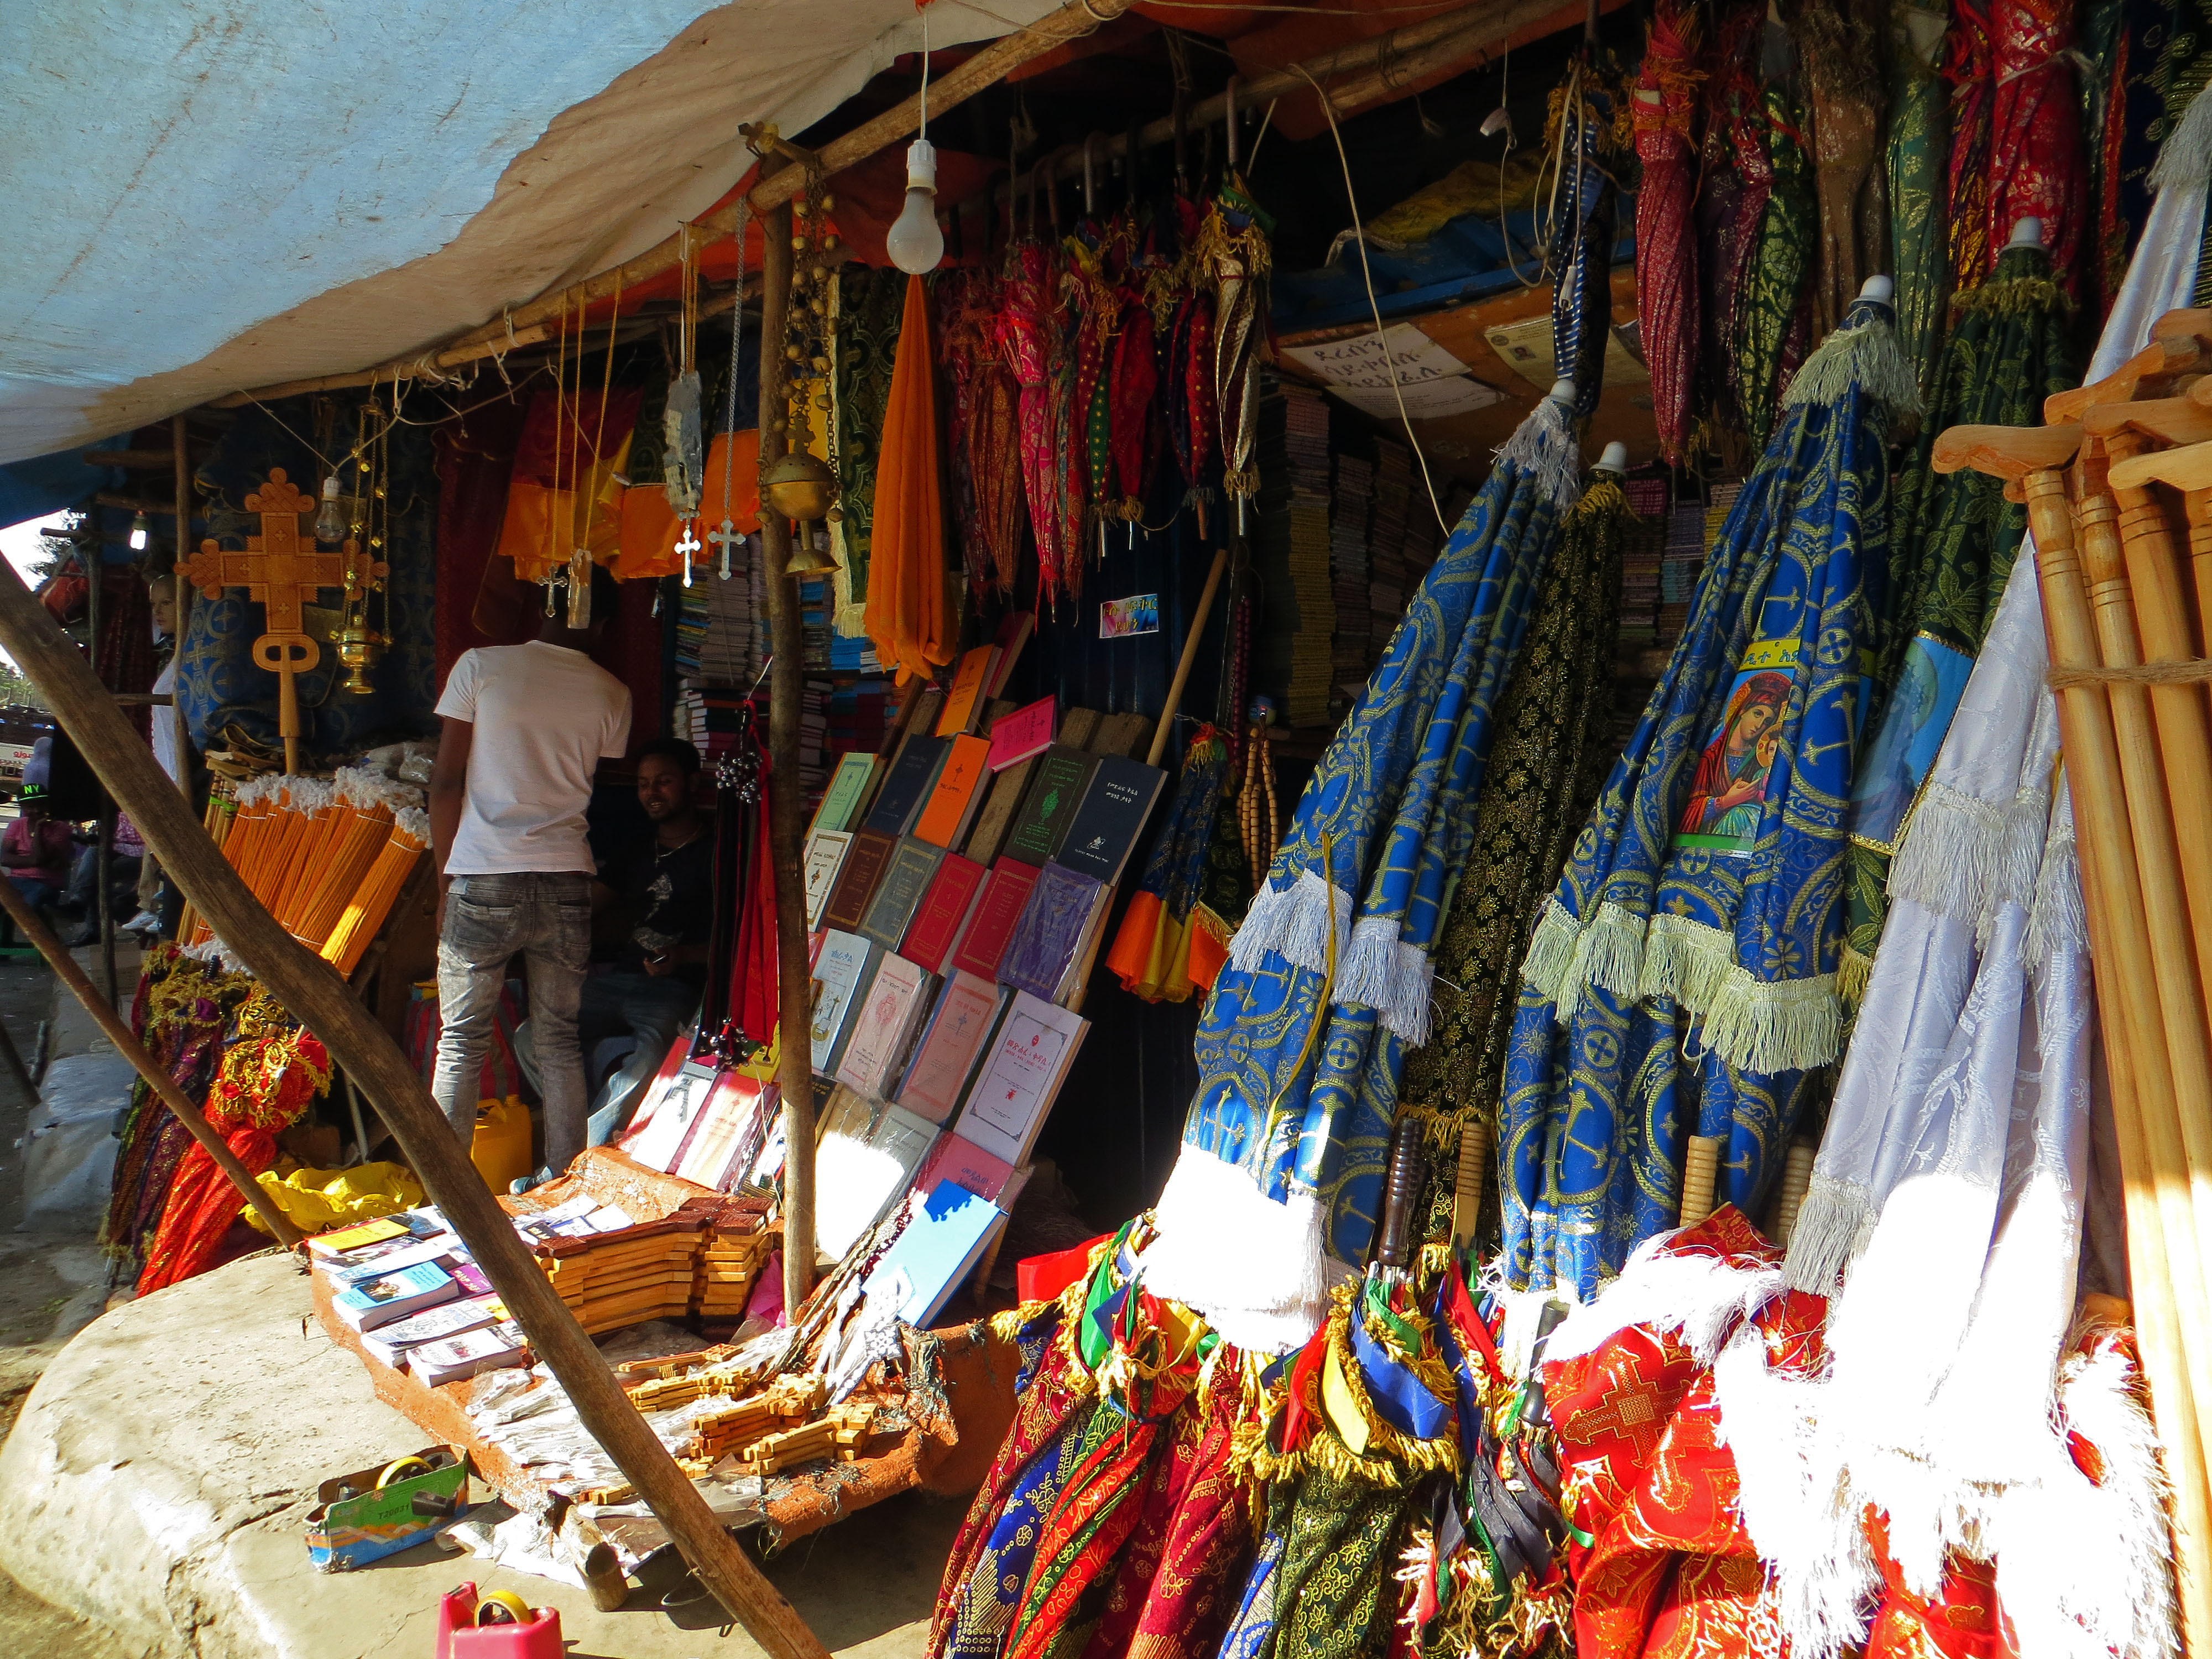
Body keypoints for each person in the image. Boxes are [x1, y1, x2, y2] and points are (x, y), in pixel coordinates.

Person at [429, 565, 630, 1184]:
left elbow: (446, 782)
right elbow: (598, 785)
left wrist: (444, 882)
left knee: (461, 1041)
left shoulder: (481, 666)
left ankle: (449, 1194)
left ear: (542, 606)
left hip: (485, 876)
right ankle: (565, 1187)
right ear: (602, 624)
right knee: (559, 1041)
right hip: (566, 881)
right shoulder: (611, 692)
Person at [579, 738, 716, 1135]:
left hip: (675, 989)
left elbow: (742, 942)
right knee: (532, 1034)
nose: (651, 793)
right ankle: (573, 1132)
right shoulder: (636, 849)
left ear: (692, 783)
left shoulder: (719, 853)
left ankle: (586, 1150)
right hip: (618, 981)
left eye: (663, 781)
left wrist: (683, 956)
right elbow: (587, 908)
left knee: (653, 1055)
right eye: (643, 784)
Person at [2, 785, 76, 940]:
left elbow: (40, 857)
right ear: (23, 808)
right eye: (30, 807)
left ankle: (49, 941)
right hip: (17, 881)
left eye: (41, 805)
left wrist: (38, 830)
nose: (37, 811)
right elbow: (5, 858)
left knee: (31, 904)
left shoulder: (61, 828)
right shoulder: (16, 825)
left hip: (46, 883)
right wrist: (33, 861)